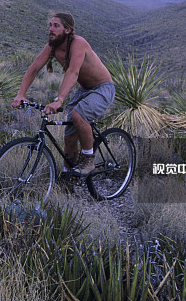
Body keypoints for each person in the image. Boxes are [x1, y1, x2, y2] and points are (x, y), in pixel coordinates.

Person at [12, 12, 115, 177]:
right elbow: (34, 68)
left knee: (78, 115)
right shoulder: (52, 46)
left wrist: (59, 100)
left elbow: (73, 72)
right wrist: (21, 94)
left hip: (102, 88)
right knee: (69, 137)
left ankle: (88, 160)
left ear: (67, 30)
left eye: (56, 26)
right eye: (50, 25)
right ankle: (69, 175)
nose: (51, 29)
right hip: (84, 90)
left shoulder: (78, 43)